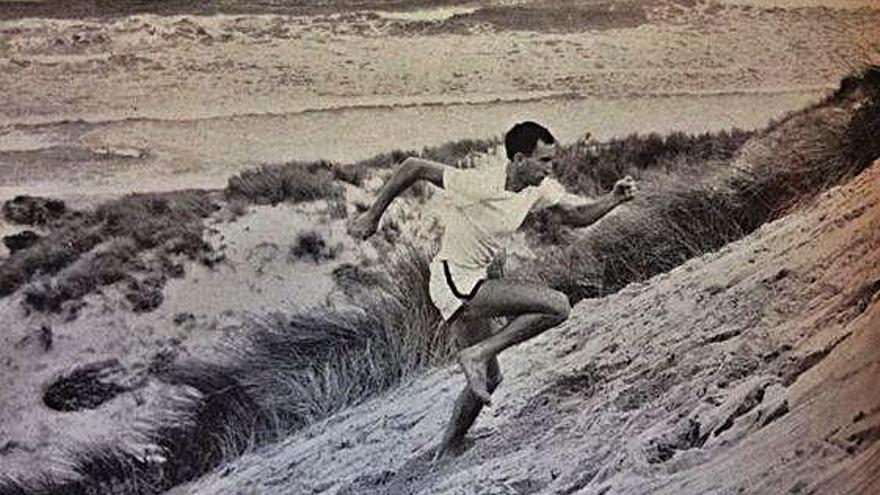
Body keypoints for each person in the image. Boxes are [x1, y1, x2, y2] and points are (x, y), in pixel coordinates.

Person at [347, 121, 636, 459]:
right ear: (518, 160)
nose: (550, 168)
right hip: (452, 281)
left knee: (490, 378)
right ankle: (478, 354)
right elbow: (415, 166)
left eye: (551, 160)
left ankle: (449, 448)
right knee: (556, 306)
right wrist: (372, 216)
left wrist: (613, 199)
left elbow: (574, 215)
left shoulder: (537, 187)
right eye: (544, 160)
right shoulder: (482, 182)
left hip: (475, 280)